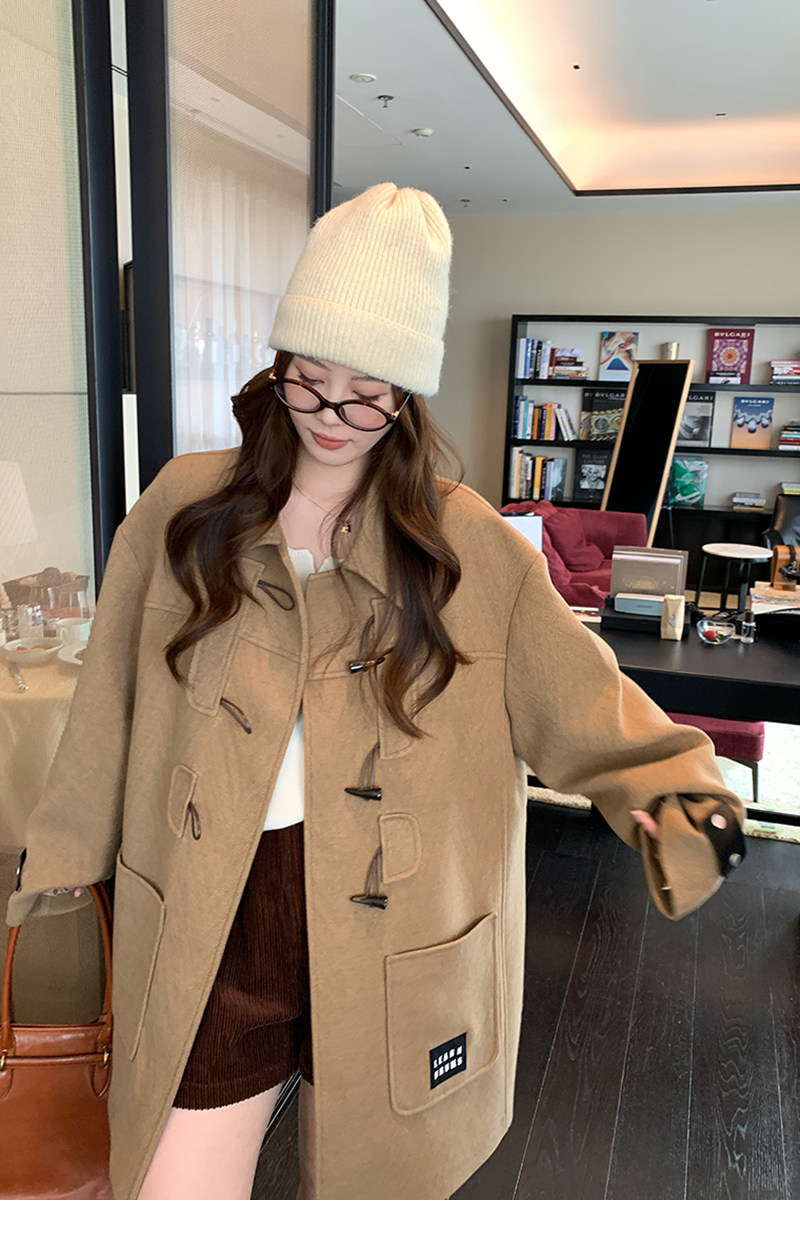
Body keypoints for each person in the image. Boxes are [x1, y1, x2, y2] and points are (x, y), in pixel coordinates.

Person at [6, 183, 746, 1201]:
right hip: (211, 909)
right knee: (170, 1198)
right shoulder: (187, 507)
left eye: (367, 392)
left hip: (397, 923)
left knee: (367, 1193)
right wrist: (58, 872)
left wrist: (684, 801)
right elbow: (108, 708)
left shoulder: (466, 546)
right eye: (309, 380)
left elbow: (589, 704)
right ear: (279, 364)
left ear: (407, 394)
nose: (332, 417)